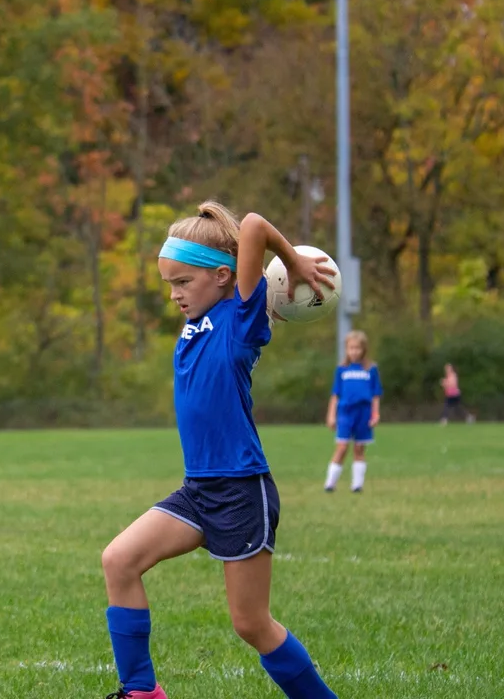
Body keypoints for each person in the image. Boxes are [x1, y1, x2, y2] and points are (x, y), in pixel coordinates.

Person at [100, 201, 338, 699]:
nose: (174, 295)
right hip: (198, 490)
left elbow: (251, 226)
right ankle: (141, 691)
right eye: (169, 283)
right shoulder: (197, 323)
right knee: (119, 560)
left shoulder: (240, 319)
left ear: (225, 277)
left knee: (250, 624)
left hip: (240, 491)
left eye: (183, 282)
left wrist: (291, 261)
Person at [323, 331, 382, 494]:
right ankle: (330, 484)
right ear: (347, 349)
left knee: (359, 448)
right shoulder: (342, 369)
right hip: (345, 413)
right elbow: (335, 395)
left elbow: (376, 395)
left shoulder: (371, 369)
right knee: (342, 447)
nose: (354, 351)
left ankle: (357, 485)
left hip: (364, 413)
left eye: (357, 348)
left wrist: (375, 415)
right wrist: (331, 415)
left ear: (364, 349)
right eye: (351, 348)